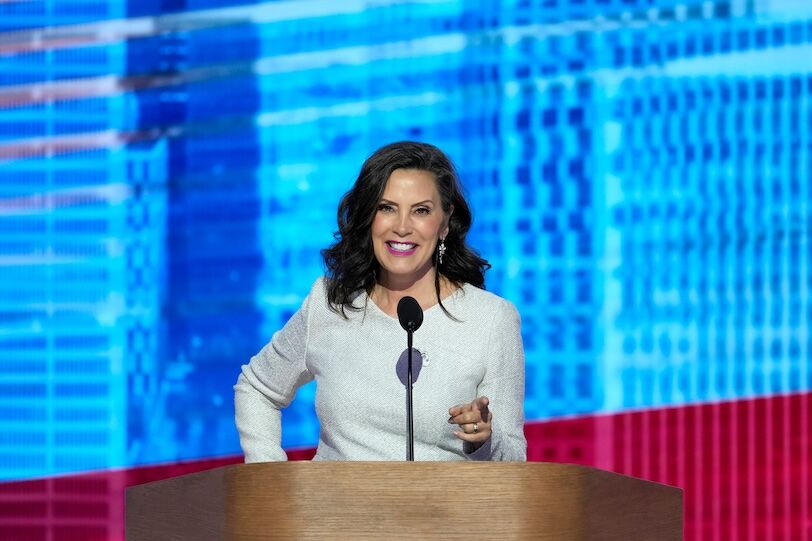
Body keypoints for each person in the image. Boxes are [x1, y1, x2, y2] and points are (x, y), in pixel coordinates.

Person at [234, 141, 526, 461]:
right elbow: (257, 387)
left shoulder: (491, 318)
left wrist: (483, 440)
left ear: (444, 223)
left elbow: (512, 456)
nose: (401, 226)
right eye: (387, 207)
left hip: (437, 510)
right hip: (334, 510)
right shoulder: (329, 303)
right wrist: (270, 480)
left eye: (421, 210)